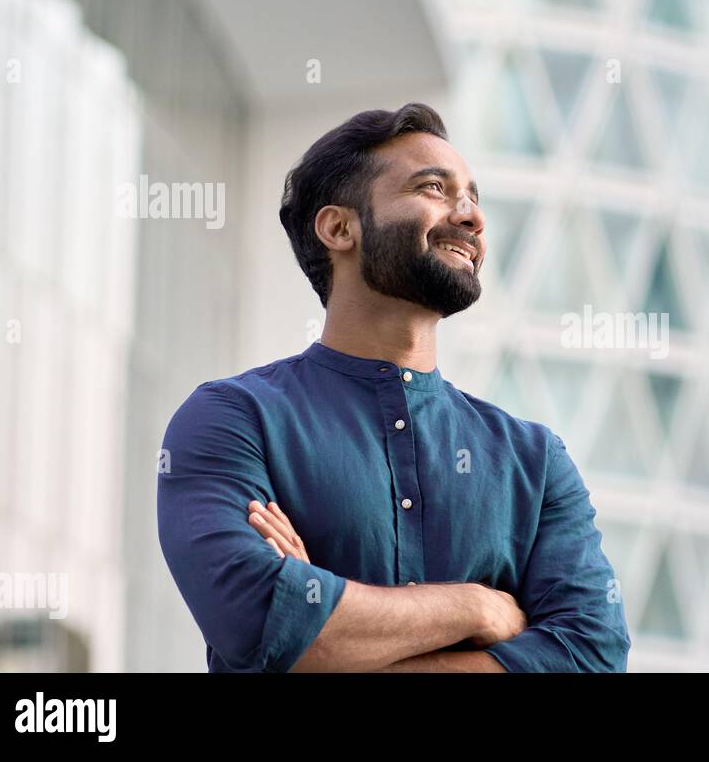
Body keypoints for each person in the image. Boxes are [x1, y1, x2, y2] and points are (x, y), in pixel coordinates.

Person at [156, 103, 630, 673]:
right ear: (338, 228)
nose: (471, 217)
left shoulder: (534, 459)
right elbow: (255, 619)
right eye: (434, 187)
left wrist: (327, 630)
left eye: (474, 198)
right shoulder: (232, 419)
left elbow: (593, 657)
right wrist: (478, 609)